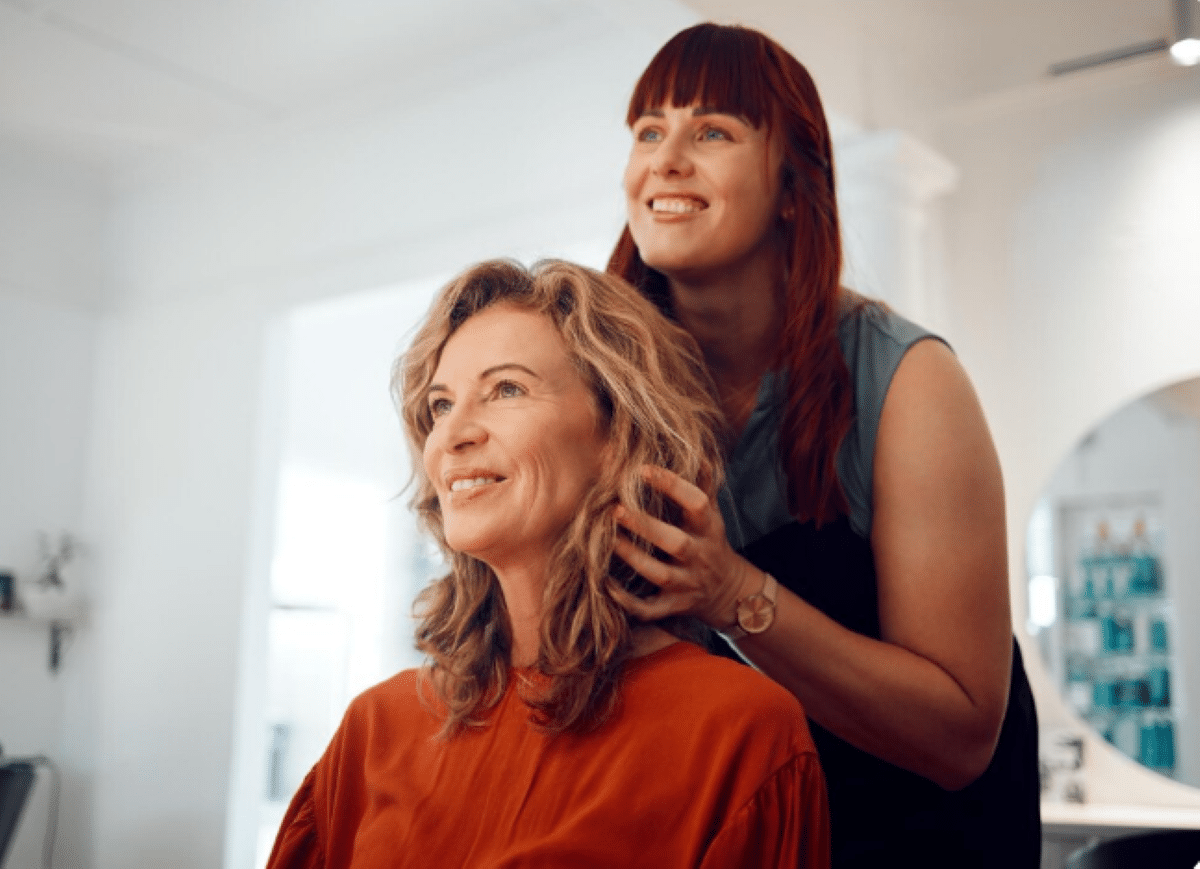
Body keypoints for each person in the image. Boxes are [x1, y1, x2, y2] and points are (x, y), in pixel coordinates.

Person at [606, 22, 1041, 868]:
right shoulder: (607, 390)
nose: (666, 158)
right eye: (649, 131)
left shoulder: (908, 381)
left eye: (714, 131)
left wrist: (733, 591)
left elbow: (960, 735)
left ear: (795, 188)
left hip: (927, 836)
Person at [265, 259, 830, 869]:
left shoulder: (739, 732)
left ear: (619, 433)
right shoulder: (374, 730)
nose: (452, 435)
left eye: (506, 389)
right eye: (439, 405)